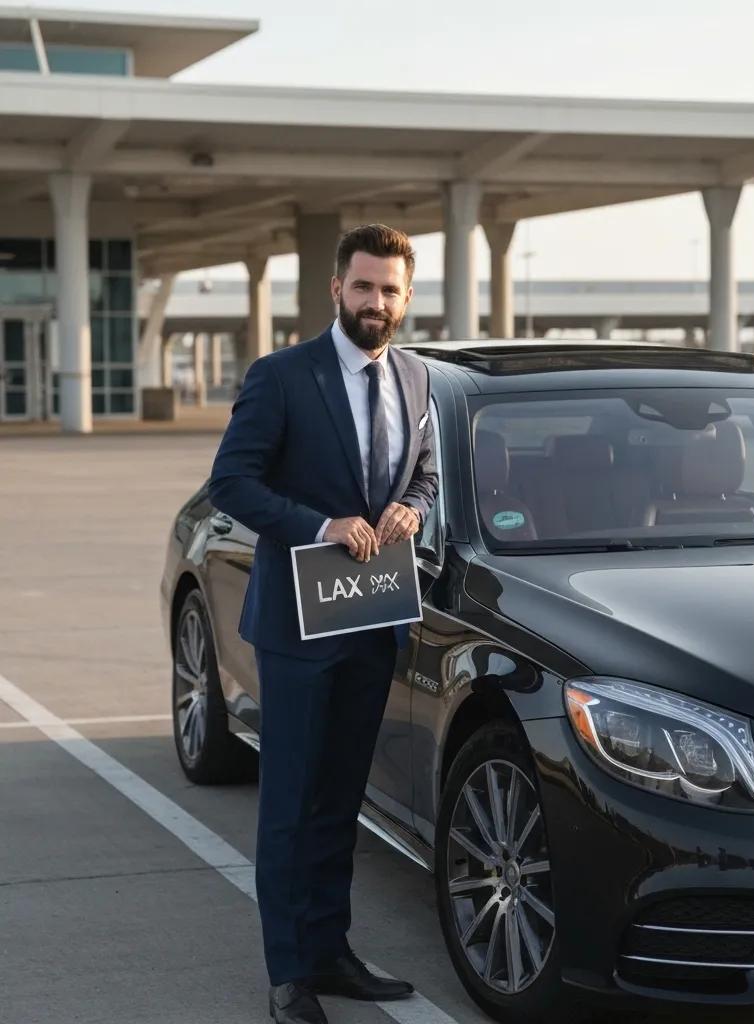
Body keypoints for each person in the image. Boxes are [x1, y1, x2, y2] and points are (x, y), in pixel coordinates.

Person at [209, 224, 437, 1024]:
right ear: (337, 289)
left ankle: (331, 952)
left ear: (407, 299)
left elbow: (426, 474)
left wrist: (413, 508)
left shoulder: (415, 377)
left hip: (372, 617)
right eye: (363, 286)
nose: (377, 301)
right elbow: (232, 483)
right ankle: (289, 975)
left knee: (342, 799)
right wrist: (319, 525)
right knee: (291, 803)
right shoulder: (281, 377)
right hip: (299, 629)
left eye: (390, 290)